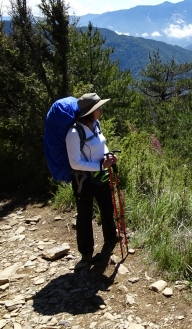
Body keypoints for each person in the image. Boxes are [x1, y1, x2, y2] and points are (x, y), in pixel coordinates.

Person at [66, 92, 119, 262]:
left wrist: (108, 156)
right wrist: (99, 166)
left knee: (107, 207)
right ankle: (86, 252)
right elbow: (74, 163)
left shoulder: (96, 124)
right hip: (84, 180)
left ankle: (111, 238)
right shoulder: (74, 133)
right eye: (98, 107)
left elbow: (102, 144)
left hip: (100, 174)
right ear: (90, 111)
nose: (101, 109)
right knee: (85, 215)